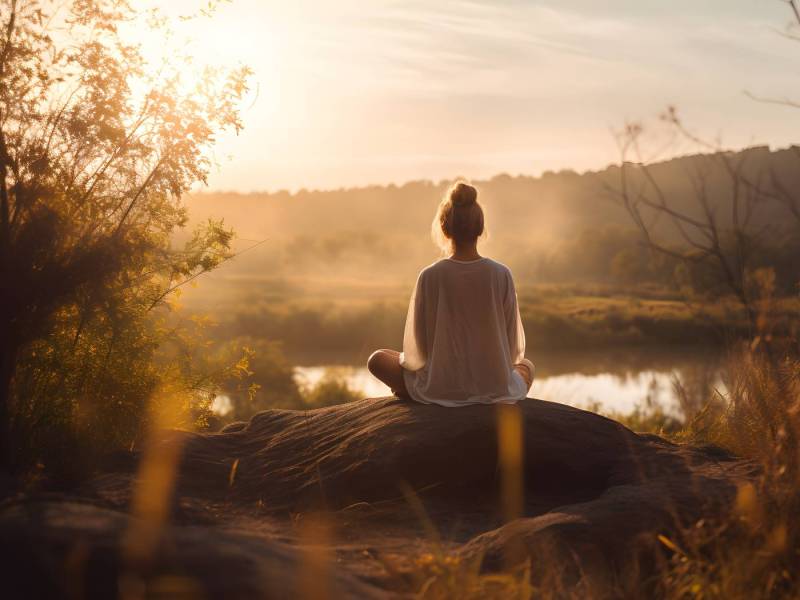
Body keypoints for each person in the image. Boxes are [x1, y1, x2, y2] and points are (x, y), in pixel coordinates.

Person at [367, 181, 534, 406]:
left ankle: (415, 394)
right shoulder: (501, 273)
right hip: (493, 386)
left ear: (445, 229)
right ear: (480, 228)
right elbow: (514, 351)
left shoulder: (429, 276)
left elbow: (418, 353)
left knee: (377, 359)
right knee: (527, 366)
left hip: (440, 387)